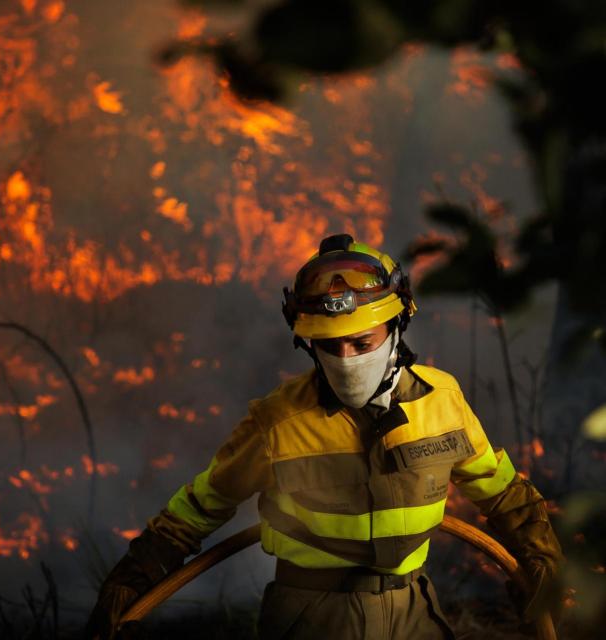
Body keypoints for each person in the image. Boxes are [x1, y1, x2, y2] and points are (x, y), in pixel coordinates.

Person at [85, 234, 563, 640]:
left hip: (415, 611)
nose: (347, 358)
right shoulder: (278, 421)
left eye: (362, 342)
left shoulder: (443, 402)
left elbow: (499, 489)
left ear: (398, 326)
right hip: (313, 617)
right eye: (329, 346)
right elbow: (202, 504)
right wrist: (135, 576)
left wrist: (539, 553)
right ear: (307, 344)